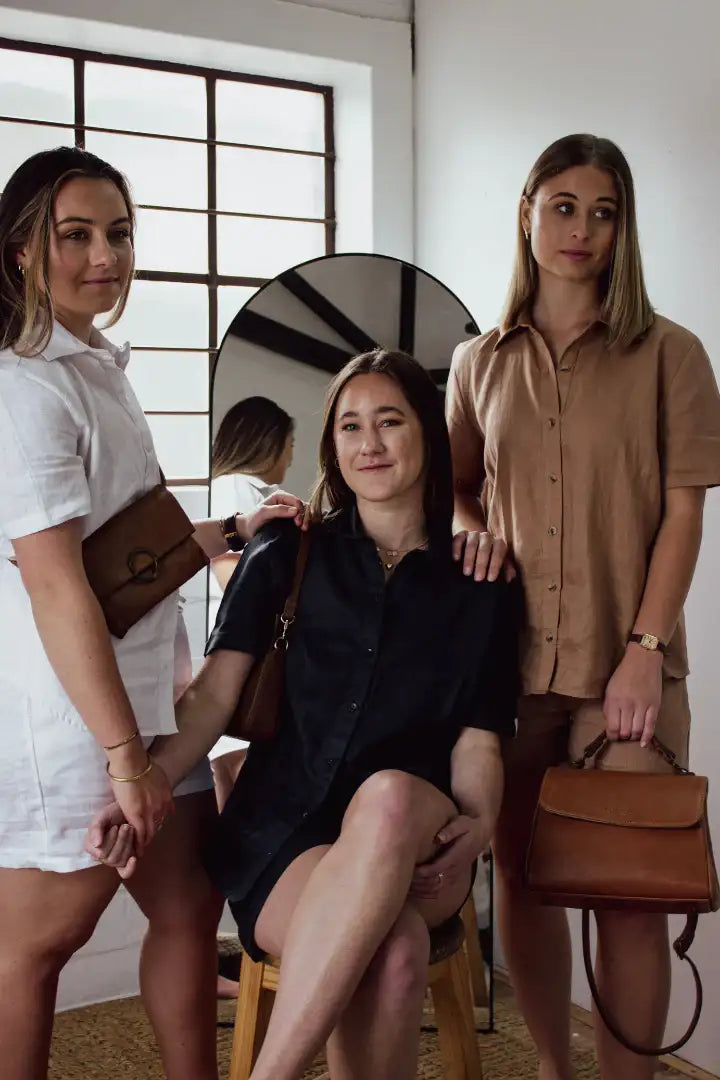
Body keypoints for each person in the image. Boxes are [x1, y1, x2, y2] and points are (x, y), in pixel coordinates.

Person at [88, 347, 520, 1080]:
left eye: (390, 421)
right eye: (351, 426)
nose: (369, 443)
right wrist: (144, 780)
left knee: (388, 798)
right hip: (285, 835)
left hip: (418, 835)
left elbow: (479, 738)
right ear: (332, 446)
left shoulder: (479, 581)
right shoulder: (287, 550)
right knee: (394, 953)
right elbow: (213, 697)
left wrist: (479, 824)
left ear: (427, 432)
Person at [0, 146, 303, 1080]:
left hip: (157, 706)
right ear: (22, 250)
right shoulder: (24, 384)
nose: (106, 256)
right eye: (76, 235)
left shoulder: (94, 362)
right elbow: (57, 587)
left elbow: (129, 555)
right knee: (38, 944)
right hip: (78, 723)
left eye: (119, 233)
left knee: (188, 906)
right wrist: (123, 756)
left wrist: (235, 529)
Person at [445, 133, 720, 1080]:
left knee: (629, 898)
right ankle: (556, 1072)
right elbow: (454, 488)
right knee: (525, 881)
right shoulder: (476, 362)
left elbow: (684, 513)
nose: (582, 230)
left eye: (604, 212)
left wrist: (645, 647)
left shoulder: (671, 354)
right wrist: (473, 529)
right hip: (511, 668)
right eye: (563, 206)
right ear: (527, 212)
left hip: (624, 673)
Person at [208, 396, 295, 814]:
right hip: (245, 643)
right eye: (290, 445)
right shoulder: (238, 489)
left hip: (239, 641)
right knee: (237, 766)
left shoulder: (238, 488)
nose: (290, 458)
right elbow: (231, 571)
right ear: (268, 443)